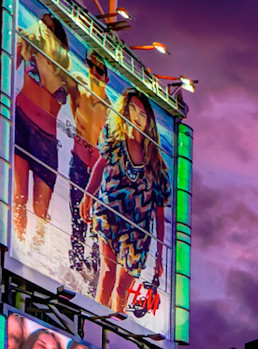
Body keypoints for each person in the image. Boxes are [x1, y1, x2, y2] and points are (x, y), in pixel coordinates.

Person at [83, 88, 171, 316]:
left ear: (149, 120)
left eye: (142, 113)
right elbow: (99, 167)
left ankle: (111, 331)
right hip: (110, 216)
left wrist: (160, 254)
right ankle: (98, 320)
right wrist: (87, 196)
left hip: (138, 234)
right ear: (125, 111)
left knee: (123, 288)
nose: (137, 116)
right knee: (108, 273)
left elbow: (159, 216)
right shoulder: (116, 143)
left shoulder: (157, 166)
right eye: (132, 109)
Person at [12, 13, 72, 250]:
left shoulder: (66, 77)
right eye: (41, 24)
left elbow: (51, 84)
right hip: (21, 124)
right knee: (18, 197)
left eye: (48, 27)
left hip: (47, 144)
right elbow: (6, 68)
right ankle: (17, 248)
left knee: (41, 212)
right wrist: (20, 45)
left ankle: (34, 253)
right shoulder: (27, 49)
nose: (42, 29)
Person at [66, 50, 112, 277]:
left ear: (107, 78)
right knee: (77, 220)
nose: (93, 71)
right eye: (90, 65)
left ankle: (94, 269)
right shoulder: (78, 86)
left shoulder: (112, 110)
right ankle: (75, 266)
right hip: (78, 162)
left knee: (94, 225)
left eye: (99, 69)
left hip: (97, 174)